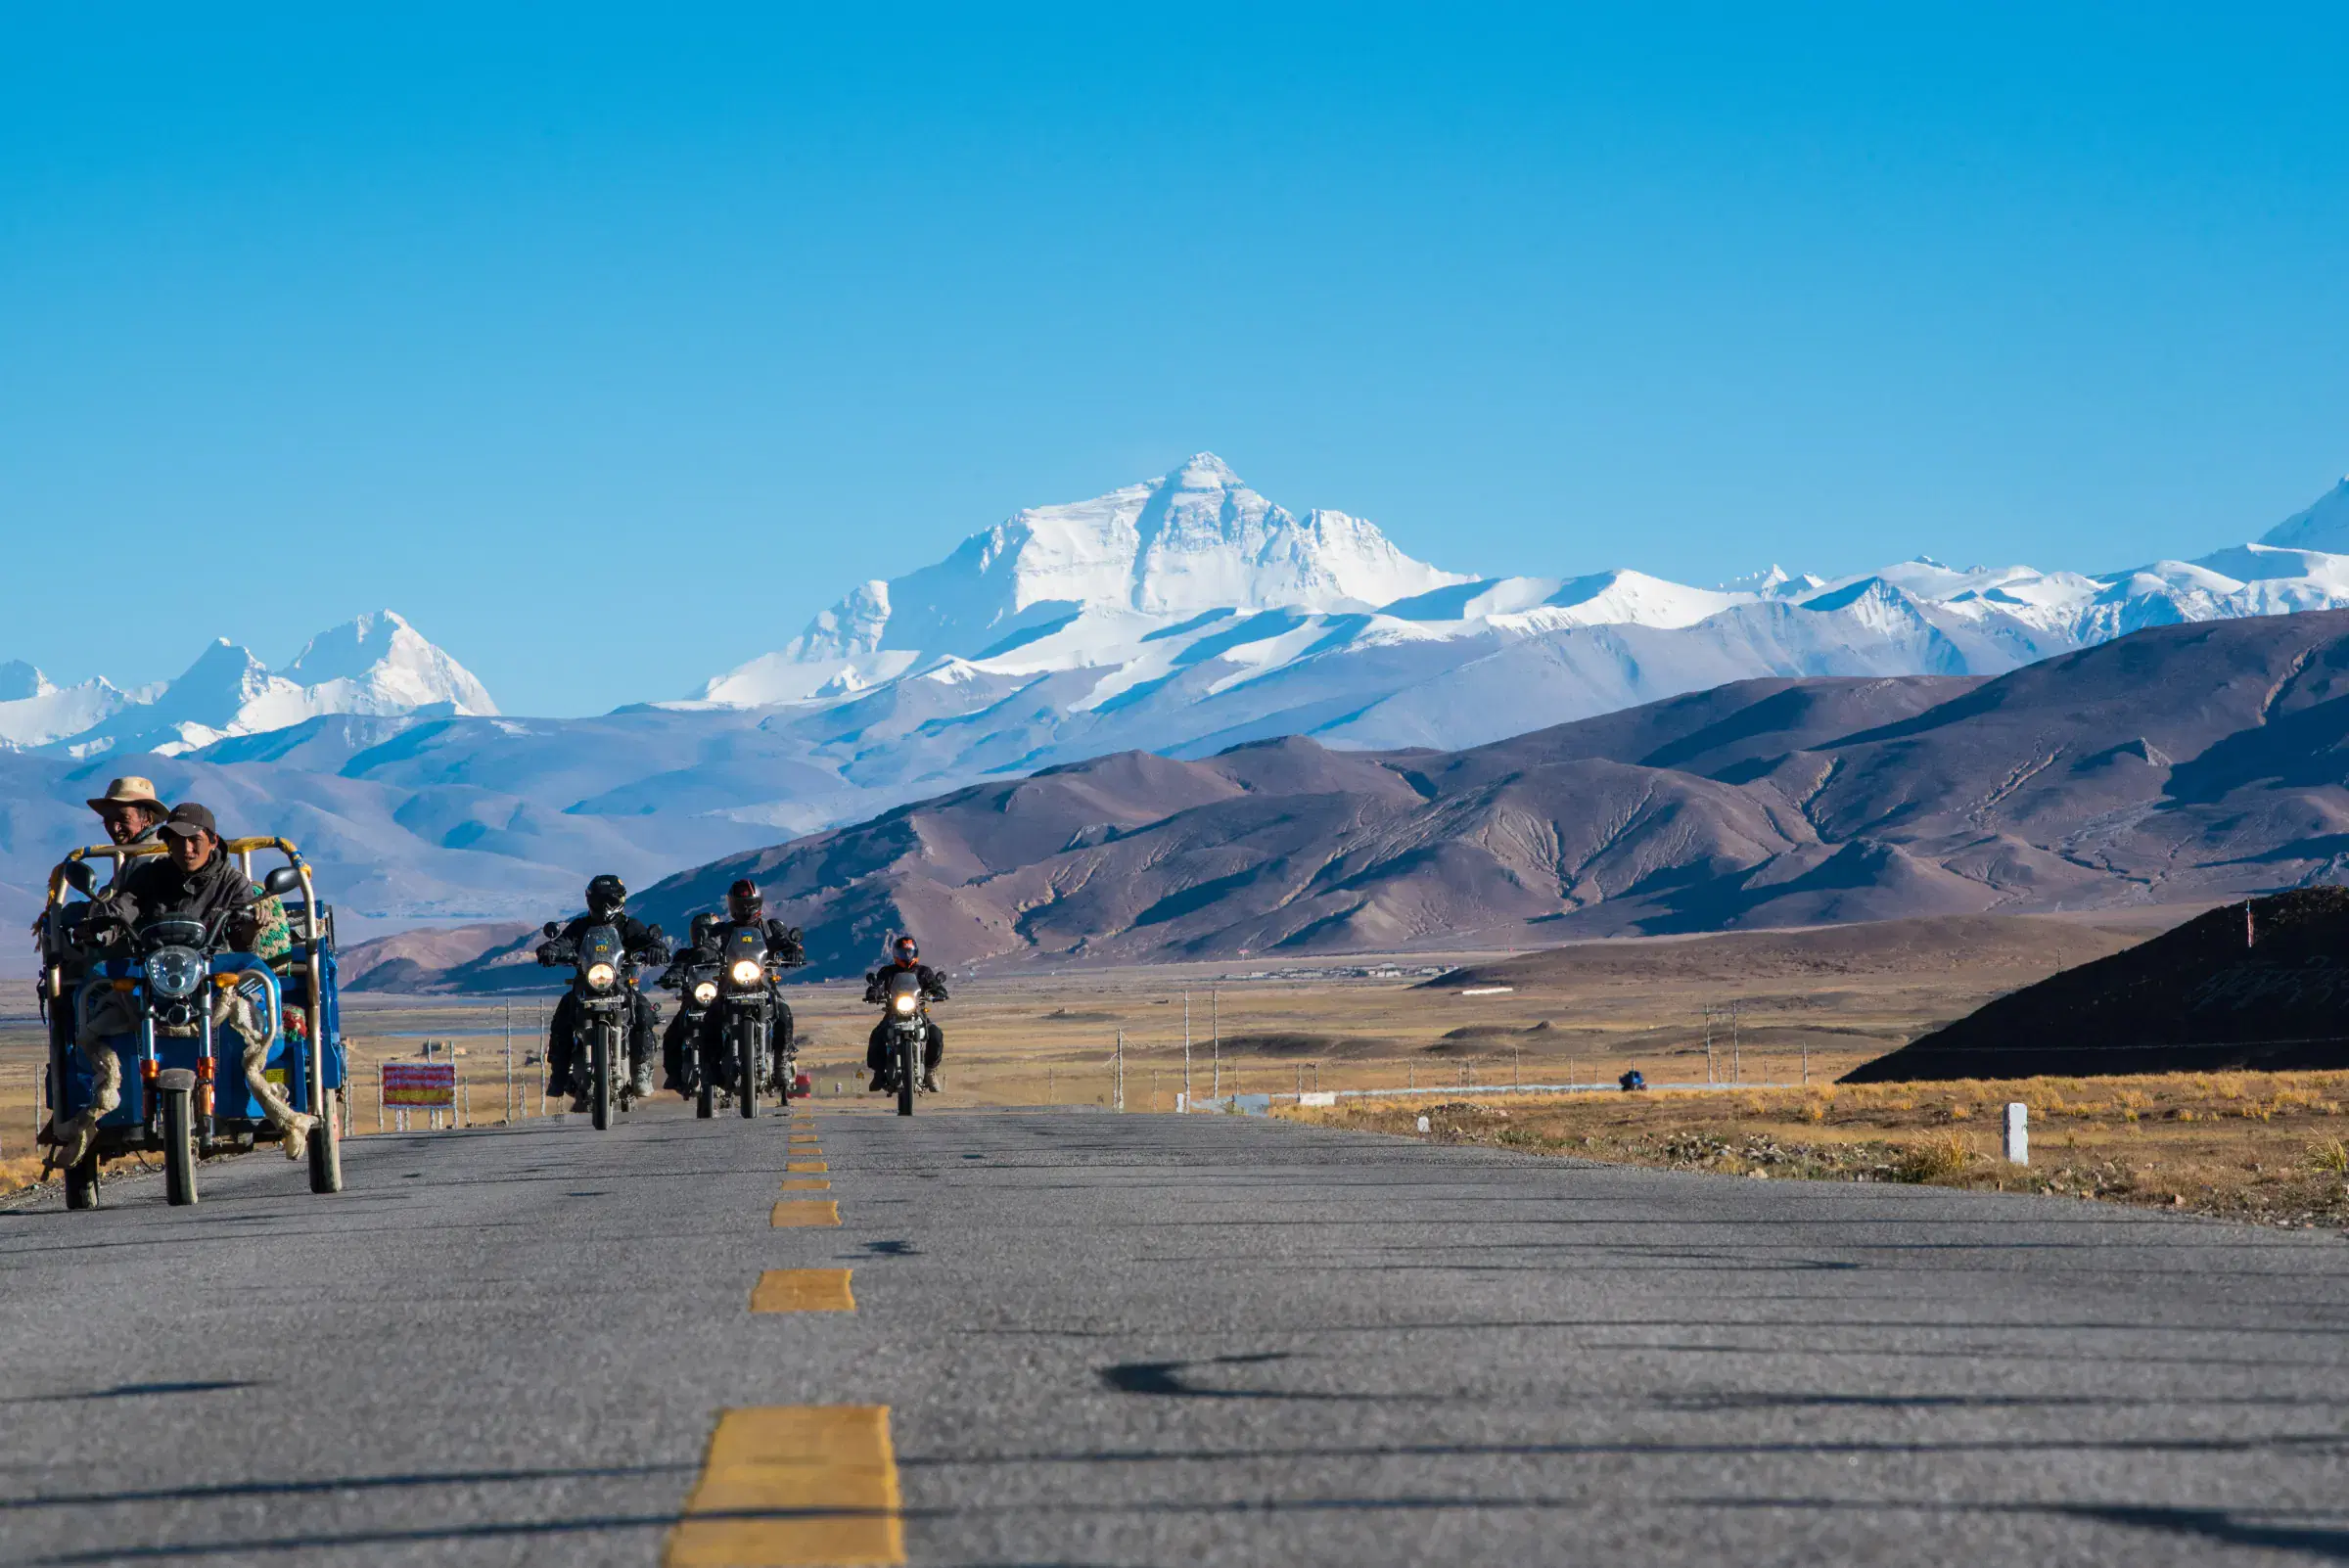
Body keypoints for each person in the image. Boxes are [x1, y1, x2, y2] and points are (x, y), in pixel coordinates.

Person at [99, 803, 288, 960]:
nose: (186, 848)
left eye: (194, 839)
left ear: (213, 841)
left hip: (212, 973)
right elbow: (123, 909)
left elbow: (239, 942)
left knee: (245, 1002)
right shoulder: (148, 875)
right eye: (177, 840)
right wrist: (99, 928)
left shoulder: (233, 883)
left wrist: (252, 928)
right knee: (101, 997)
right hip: (154, 972)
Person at [539, 874, 665, 1105]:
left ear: (621, 901)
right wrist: (550, 948)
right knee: (562, 1018)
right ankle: (558, 1076)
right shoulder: (580, 926)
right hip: (585, 984)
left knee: (645, 1013)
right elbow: (565, 942)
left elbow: (644, 939)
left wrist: (656, 948)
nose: (605, 907)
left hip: (621, 984)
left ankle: (641, 1070)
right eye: (599, 901)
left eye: (610, 900)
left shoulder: (629, 926)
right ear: (590, 901)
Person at [696, 879, 807, 1093]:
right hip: (731, 985)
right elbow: (708, 943)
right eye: (740, 903)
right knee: (710, 1018)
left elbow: (785, 941)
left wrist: (793, 950)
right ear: (732, 904)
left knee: (784, 1013)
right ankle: (710, 1068)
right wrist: (703, 951)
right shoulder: (723, 930)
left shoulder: (770, 927)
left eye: (749, 903)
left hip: (764, 984)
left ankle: (781, 1063)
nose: (745, 908)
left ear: (758, 903)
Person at [864, 934, 947, 1092]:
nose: (907, 956)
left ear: (915, 952)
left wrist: (940, 991)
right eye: (903, 953)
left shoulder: (923, 971)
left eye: (909, 952)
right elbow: (878, 984)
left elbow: (934, 984)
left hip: (918, 1013)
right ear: (896, 954)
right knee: (877, 1035)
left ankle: (930, 1071)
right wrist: (873, 991)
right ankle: (879, 1073)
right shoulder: (887, 971)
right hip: (893, 1013)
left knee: (936, 1034)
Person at [657, 911, 721, 1095]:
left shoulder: (725, 955)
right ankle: (675, 1074)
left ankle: (734, 1066)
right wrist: (671, 977)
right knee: (671, 1037)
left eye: (710, 932)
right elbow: (676, 967)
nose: (706, 937)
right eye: (702, 932)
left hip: (717, 1003)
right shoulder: (685, 955)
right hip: (692, 1003)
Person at [85, 775, 166, 850]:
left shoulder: (156, 858)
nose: (115, 828)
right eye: (108, 820)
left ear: (147, 819)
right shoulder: (131, 856)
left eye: (124, 819)